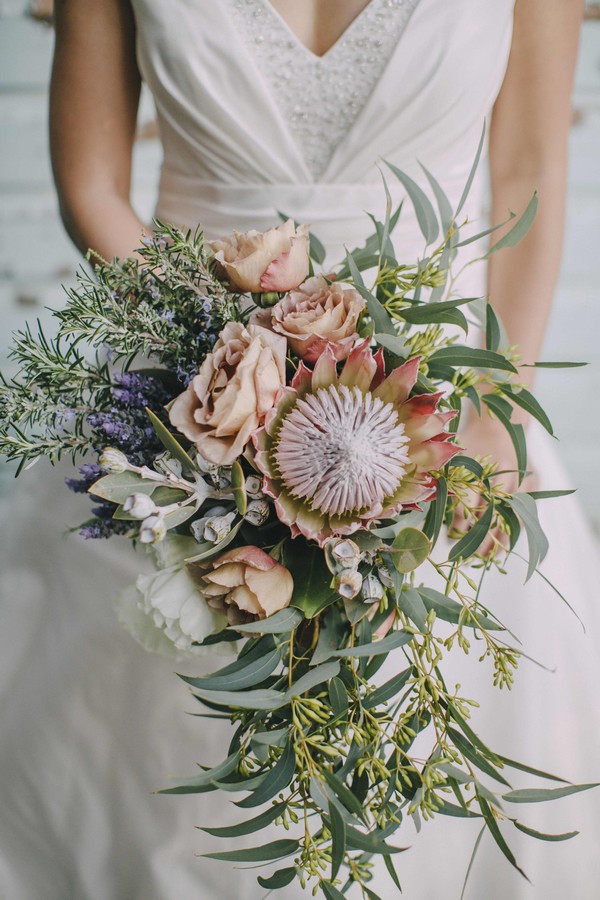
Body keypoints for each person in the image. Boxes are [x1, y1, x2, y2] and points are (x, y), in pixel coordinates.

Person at [0, 0, 598, 897]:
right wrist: (222, 367)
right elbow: (93, 184)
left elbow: (525, 169)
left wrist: (497, 407)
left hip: (441, 417)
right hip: (181, 405)